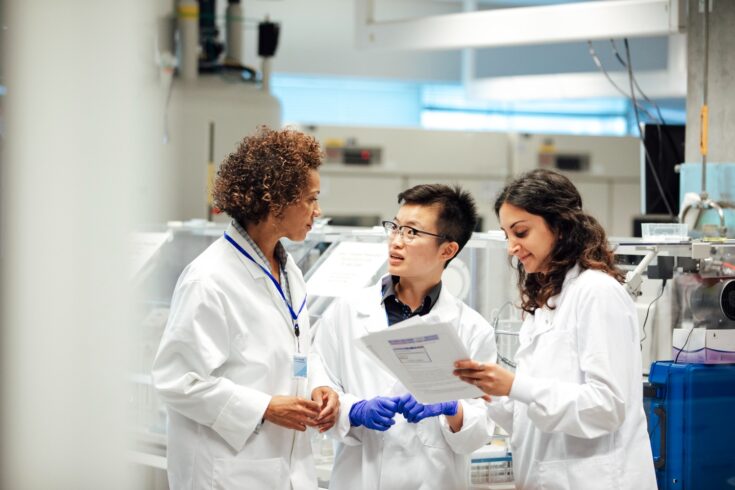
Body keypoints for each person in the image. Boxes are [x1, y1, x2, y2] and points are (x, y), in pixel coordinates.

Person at [152, 126, 339, 490]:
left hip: (282, 464)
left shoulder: (288, 270)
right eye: (311, 199)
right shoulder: (209, 279)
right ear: (276, 201)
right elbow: (176, 381)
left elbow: (299, 349)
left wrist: (320, 385)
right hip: (226, 469)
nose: (318, 211)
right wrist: (265, 407)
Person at [454, 169, 657, 489]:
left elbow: (607, 407)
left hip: (597, 479)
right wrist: (487, 391)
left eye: (520, 232)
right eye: (507, 235)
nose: (511, 248)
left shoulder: (597, 292)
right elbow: (530, 417)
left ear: (561, 227)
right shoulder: (545, 303)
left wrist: (515, 385)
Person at [311, 184, 497, 489]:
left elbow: (481, 429)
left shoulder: (473, 330)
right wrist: (353, 411)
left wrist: (452, 408)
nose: (396, 241)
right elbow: (318, 390)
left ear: (447, 250)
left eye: (412, 232)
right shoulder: (345, 313)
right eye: (395, 227)